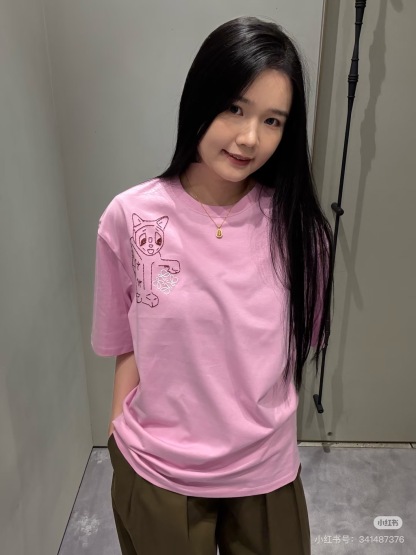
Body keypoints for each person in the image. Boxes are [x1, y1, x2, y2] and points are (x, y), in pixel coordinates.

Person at [91, 15, 333, 555]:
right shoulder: (130, 218)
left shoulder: (301, 230)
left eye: (273, 120)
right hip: (158, 472)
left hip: (265, 474)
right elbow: (126, 342)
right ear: (200, 99)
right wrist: (118, 435)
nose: (250, 138)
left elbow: (298, 344)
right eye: (235, 109)